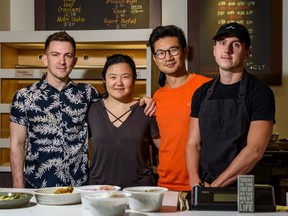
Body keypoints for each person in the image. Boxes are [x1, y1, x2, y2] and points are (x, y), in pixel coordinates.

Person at [9, 31, 155, 189]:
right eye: (55, 55)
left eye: (68, 55)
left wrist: (142, 100)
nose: (62, 61)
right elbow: (17, 144)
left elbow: (116, 101)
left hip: (80, 188)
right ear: (45, 59)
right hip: (38, 186)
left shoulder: (87, 93)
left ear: (74, 60)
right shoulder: (24, 96)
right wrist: (19, 187)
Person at [186, 22, 276, 189]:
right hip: (204, 184)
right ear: (214, 50)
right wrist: (194, 180)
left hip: (243, 189)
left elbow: (255, 150)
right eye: (222, 43)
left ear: (247, 53)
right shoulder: (201, 93)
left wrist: (214, 188)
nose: (227, 50)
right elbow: (193, 143)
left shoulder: (260, 93)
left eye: (235, 44)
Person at [148, 25, 211, 193]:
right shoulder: (157, 96)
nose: (167, 57)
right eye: (160, 53)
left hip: (200, 183)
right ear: (155, 59)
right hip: (165, 185)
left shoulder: (206, 88)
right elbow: (164, 139)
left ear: (185, 51)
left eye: (173, 50)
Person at [87, 54, 160, 189]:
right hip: (99, 190)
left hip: (139, 190)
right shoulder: (92, 109)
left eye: (125, 77)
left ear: (134, 80)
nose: (119, 83)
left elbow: (165, 148)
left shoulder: (146, 110)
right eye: (113, 77)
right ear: (104, 79)